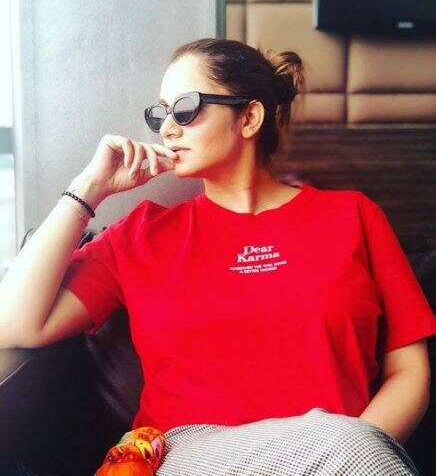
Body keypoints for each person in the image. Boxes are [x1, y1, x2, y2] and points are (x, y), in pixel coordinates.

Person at [0, 37, 435, 475]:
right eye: (161, 114)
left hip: (336, 450)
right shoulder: (142, 235)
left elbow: (409, 372)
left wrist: (356, 450)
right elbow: (12, 325)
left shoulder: (352, 217)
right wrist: (89, 188)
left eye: (185, 109)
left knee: (349, 443)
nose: (167, 130)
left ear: (249, 118)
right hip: (187, 454)